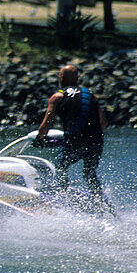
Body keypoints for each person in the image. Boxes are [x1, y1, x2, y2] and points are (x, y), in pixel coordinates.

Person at [35, 64, 108, 196]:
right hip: (96, 141)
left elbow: (47, 124)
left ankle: (64, 198)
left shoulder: (57, 97)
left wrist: (40, 138)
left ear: (61, 77)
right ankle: (100, 201)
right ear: (77, 78)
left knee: (60, 167)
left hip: (75, 140)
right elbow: (103, 123)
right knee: (89, 173)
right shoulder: (90, 95)